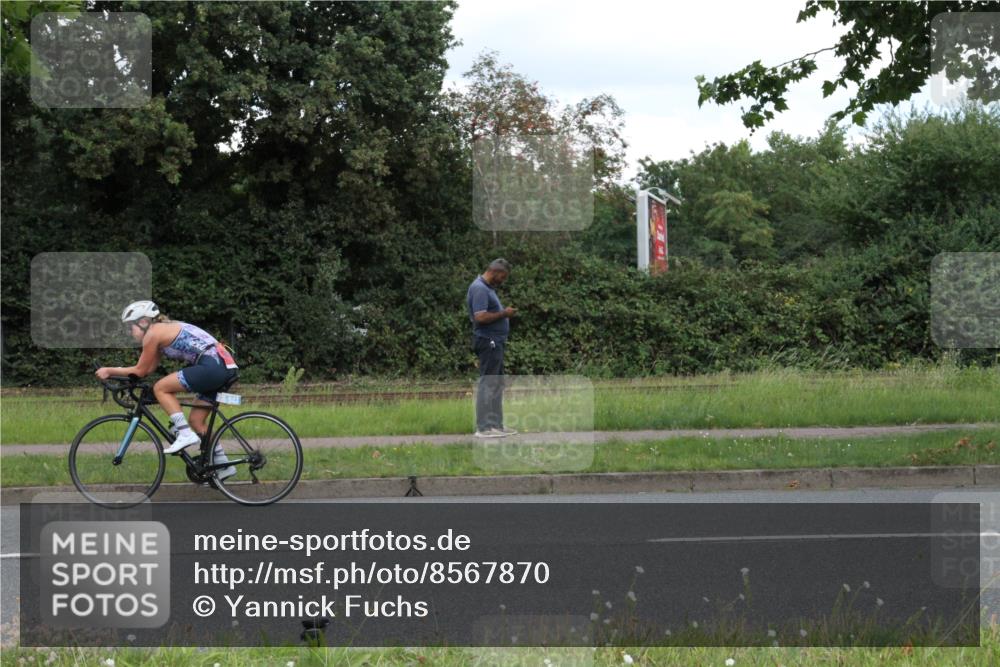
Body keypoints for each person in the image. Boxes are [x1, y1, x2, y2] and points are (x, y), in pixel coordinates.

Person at [95, 300, 237, 479]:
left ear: (144, 322)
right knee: (197, 421)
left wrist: (109, 370)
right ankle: (224, 465)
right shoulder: (162, 331)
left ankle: (184, 434)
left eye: (131, 327)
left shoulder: (153, 334)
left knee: (160, 388)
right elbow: (146, 370)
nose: (130, 332)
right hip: (224, 365)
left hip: (212, 366)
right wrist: (120, 374)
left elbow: (139, 370)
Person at [466, 258, 518, 438]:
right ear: (494, 272)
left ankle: (496, 425)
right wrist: (504, 313)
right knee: (488, 382)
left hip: (495, 341)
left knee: (496, 383)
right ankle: (484, 427)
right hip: (488, 341)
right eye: (502, 277)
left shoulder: (488, 289)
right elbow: (480, 317)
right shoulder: (480, 288)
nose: (503, 280)